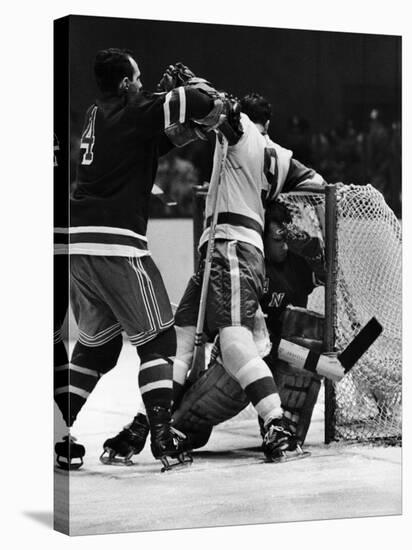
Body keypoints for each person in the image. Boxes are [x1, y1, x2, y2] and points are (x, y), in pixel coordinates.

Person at [107, 91, 325, 463]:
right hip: (218, 253)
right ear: (269, 124)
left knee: (235, 341)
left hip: (232, 249)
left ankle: (277, 427)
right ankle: (148, 423)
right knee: (180, 340)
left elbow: (220, 111)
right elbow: (320, 186)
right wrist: (272, 201)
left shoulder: (238, 133)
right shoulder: (284, 157)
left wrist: (184, 89)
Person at [54, 50, 234, 471]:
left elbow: (163, 139)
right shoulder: (135, 109)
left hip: (78, 247)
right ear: (124, 84)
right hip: (117, 245)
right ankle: (162, 437)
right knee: (158, 341)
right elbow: (204, 101)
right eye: (136, 78)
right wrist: (195, 88)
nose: (142, 83)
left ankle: (55, 430)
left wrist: (184, 119)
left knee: (96, 353)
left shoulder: (99, 115)